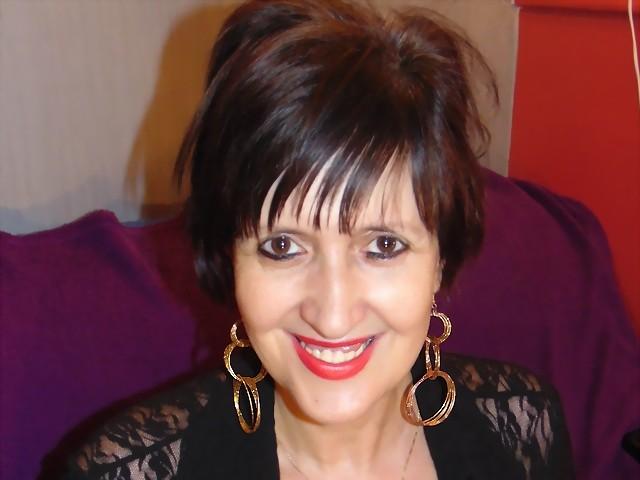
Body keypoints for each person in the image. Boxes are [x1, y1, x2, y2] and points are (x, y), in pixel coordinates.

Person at [64, 0, 574, 478]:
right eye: (283, 247)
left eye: (383, 246)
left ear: (441, 257)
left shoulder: (524, 427)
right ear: (230, 256)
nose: (332, 316)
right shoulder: (125, 471)